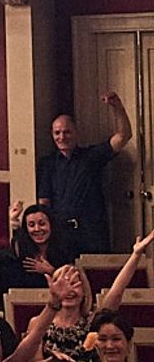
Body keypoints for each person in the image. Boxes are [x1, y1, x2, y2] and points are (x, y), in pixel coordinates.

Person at [39, 91, 132, 256]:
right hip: (61, 235)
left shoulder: (91, 157)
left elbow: (123, 136)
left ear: (76, 132)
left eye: (67, 132)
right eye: (57, 133)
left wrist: (117, 107)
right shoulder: (48, 164)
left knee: (96, 277)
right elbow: (44, 203)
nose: (62, 137)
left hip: (92, 234)